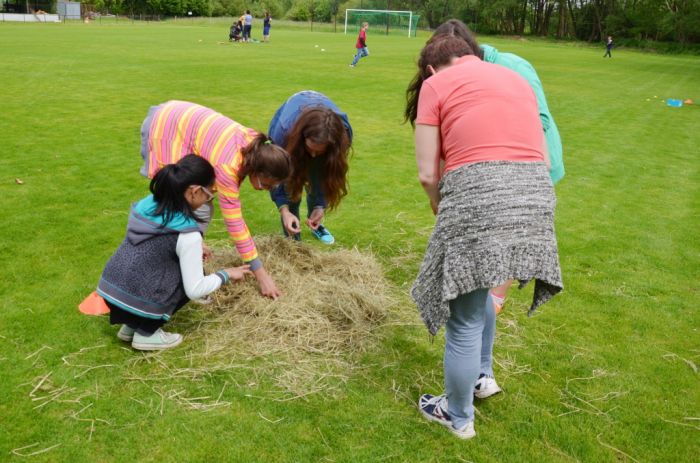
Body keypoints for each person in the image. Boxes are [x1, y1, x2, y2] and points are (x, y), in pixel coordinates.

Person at [407, 34, 563, 439]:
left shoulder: (434, 85)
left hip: (479, 195)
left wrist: (439, 203)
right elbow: (543, 154)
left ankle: (457, 417)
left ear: (430, 68)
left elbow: (427, 172)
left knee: (463, 318)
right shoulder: (515, 78)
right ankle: (481, 377)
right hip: (535, 195)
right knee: (483, 293)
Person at [422, 19, 565, 316]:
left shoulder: (513, 69)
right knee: (484, 261)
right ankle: (484, 310)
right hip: (493, 171)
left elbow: (540, 122)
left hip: (530, 163)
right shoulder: (462, 76)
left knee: (503, 248)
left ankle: (494, 300)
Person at [97, 155, 253, 351]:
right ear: (194, 192)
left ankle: (131, 326)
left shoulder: (148, 203)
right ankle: (147, 333)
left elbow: (155, 245)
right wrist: (227, 274)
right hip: (132, 295)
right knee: (191, 277)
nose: (208, 199)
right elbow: (195, 289)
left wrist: (194, 249)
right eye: (209, 193)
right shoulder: (188, 234)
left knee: (154, 267)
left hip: (111, 288)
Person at [140, 100, 291, 299]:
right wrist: (261, 274)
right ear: (257, 171)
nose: (268, 189)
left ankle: (190, 264)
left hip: (178, 117)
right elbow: (235, 223)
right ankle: (180, 280)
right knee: (181, 205)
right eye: (268, 184)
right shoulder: (229, 166)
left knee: (201, 205)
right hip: (166, 129)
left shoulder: (257, 146)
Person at [267, 91, 352, 245]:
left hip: (321, 127)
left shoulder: (342, 136)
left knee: (317, 175)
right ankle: (292, 233)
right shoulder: (284, 131)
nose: (313, 155)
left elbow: (329, 173)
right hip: (291, 119)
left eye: (319, 151)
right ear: (303, 138)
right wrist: (284, 210)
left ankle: (316, 221)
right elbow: (276, 174)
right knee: (291, 180)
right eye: (310, 149)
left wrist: (321, 205)